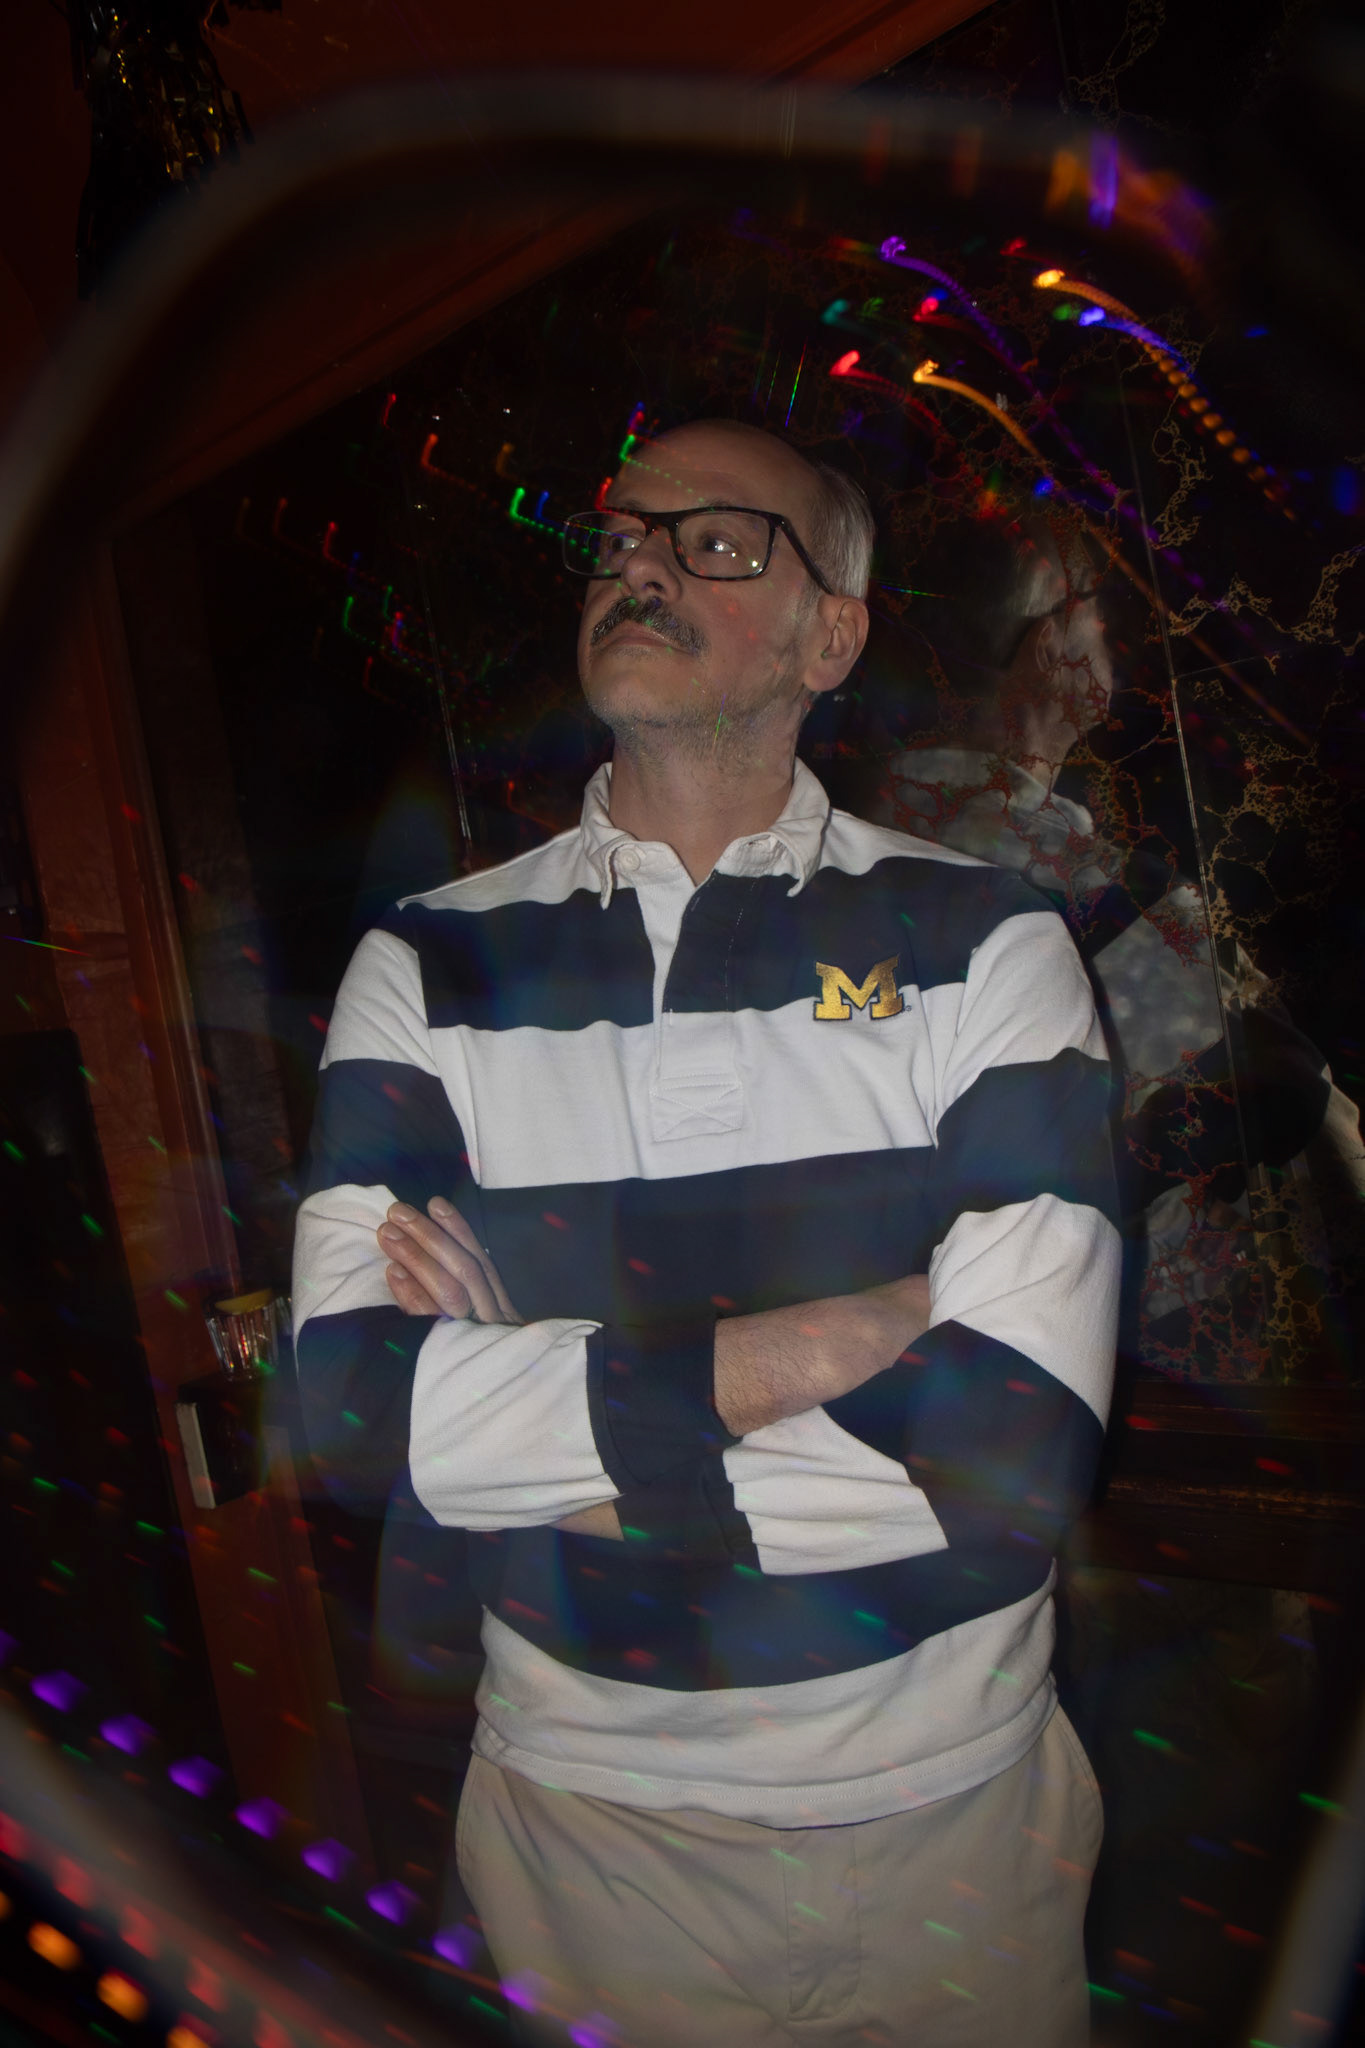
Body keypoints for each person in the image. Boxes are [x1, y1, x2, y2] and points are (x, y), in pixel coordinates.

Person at [292, 420, 1119, 2047]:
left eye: (717, 541)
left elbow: (1017, 1449)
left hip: (958, 1828)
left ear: (831, 636)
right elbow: (354, 1414)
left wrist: (548, 1437)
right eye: (619, 540)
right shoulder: (428, 963)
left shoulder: (990, 941)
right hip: (582, 1843)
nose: (643, 566)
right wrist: (836, 1340)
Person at [864, 497, 1364, 1374]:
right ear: (1046, 641)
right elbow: (1251, 1086)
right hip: (1180, 1353)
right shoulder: (991, 856)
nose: (1117, 634)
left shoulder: (991, 835)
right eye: (1097, 605)